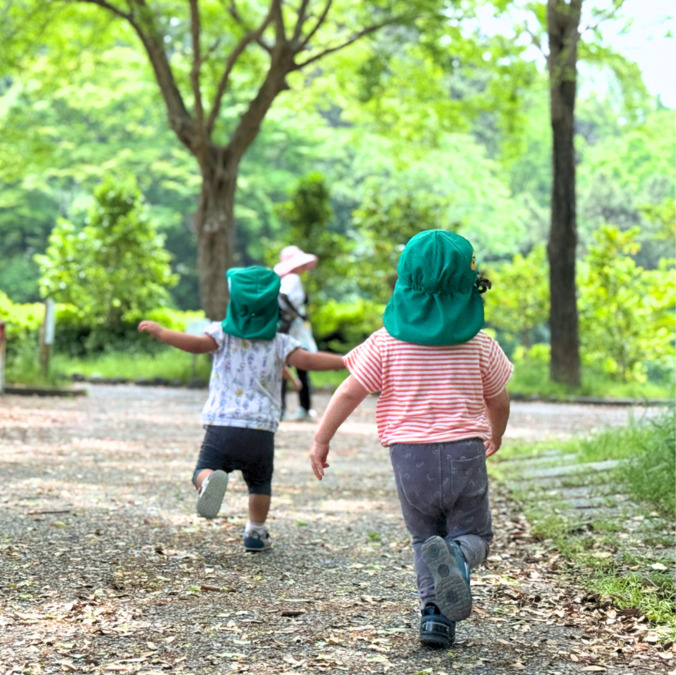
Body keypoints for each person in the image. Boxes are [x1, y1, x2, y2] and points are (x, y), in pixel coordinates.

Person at [308, 230, 513, 649]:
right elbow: (499, 398)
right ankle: (459, 556)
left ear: (404, 282)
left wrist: (321, 440)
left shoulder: (385, 343)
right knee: (474, 535)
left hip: (409, 458)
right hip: (464, 453)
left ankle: (435, 618)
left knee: (424, 539)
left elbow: (349, 392)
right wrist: (496, 433)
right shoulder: (480, 345)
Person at [138, 266, 345, 552]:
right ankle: (255, 532)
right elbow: (308, 361)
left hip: (222, 425)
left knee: (203, 468)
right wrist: (346, 360)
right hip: (260, 430)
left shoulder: (221, 335)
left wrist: (162, 332)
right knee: (259, 483)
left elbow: (195, 344)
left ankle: (207, 482)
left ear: (234, 304)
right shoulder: (280, 343)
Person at [274, 245, 319, 421]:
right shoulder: (293, 279)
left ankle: (281, 409)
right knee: (302, 368)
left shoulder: (284, 279)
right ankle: (304, 408)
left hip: (288, 332)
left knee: (283, 369)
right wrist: (296, 315)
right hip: (294, 333)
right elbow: (284, 298)